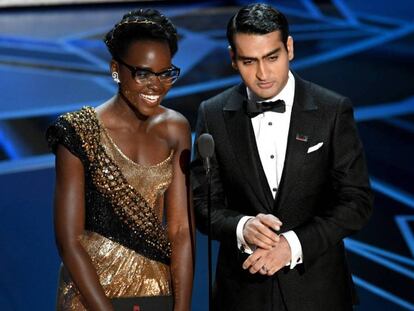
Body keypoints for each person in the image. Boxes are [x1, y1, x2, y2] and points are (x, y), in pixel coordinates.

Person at [191, 3, 373, 311]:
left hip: (318, 293)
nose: (262, 74)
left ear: (289, 48)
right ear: (233, 59)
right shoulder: (213, 114)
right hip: (242, 294)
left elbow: (356, 202)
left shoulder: (332, 109)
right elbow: (201, 203)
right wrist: (241, 226)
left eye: (272, 57)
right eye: (249, 61)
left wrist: (293, 245)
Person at [46, 8, 194, 311]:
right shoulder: (78, 131)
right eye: (143, 73)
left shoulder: (176, 129)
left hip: (157, 292)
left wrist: (182, 309)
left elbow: (180, 231)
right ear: (116, 69)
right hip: (90, 298)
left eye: (166, 73)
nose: (156, 85)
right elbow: (69, 241)